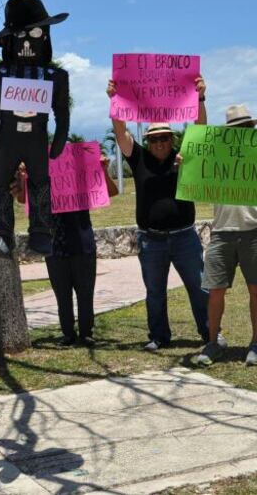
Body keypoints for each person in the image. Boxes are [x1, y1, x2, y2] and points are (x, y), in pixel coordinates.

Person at [107, 77, 209, 352]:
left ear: (172, 138)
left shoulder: (185, 156)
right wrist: (115, 99)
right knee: (154, 292)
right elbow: (120, 132)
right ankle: (159, 336)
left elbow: (201, 130)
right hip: (151, 240)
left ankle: (210, 333)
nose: (160, 142)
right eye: (154, 139)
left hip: (184, 237)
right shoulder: (138, 158)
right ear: (147, 141)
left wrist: (199, 98)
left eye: (165, 137)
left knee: (199, 288)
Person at [190, 106, 257, 367]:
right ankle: (213, 342)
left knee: (256, 289)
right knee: (215, 290)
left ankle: (256, 343)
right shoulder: (216, 159)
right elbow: (197, 139)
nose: (241, 133)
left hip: (255, 231)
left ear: (252, 130)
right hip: (222, 232)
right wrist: (187, 164)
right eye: (236, 129)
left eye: (245, 128)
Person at [13, 154, 119, 346]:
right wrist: (23, 177)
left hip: (82, 242)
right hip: (54, 245)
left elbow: (111, 192)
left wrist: (102, 170)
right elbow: (23, 199)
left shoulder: (81, 177)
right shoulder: (41, 178)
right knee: (62, 293)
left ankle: (86, 333)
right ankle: (68, 333)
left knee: (85, 292)